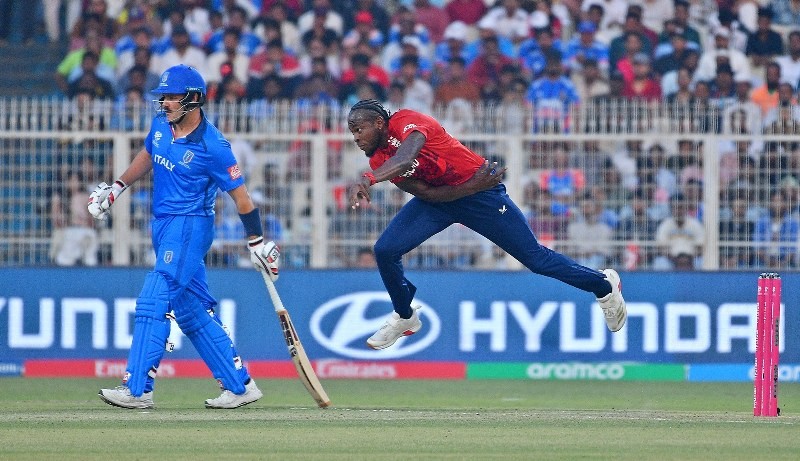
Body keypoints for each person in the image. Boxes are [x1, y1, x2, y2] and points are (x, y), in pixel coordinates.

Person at [345, 99, 628, 350]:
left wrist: (369, 179)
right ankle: (405, 316)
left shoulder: (406, 120)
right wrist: (469, 187)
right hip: (448, 198)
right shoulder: (378, 159)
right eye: (353, 132)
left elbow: (406, 156)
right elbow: (429, 194)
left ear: (379, 123)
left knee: (536, 259)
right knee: (385, 250)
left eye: (359, 129)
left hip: (483, 197)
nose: (356, 137)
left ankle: (603, 285)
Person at [88, 65, 279, 409]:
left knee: (153, 298)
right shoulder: (162, 124)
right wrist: (117, 187)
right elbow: (149, 153)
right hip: (162, 226)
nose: (165, 103)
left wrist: (257, 242)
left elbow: (243, 199)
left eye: (172, 97)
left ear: (194, 99)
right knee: (191, 312)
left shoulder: (214, 146)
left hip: (190, 227)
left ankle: (137, 389)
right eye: (163, 96)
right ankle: (240, 387)